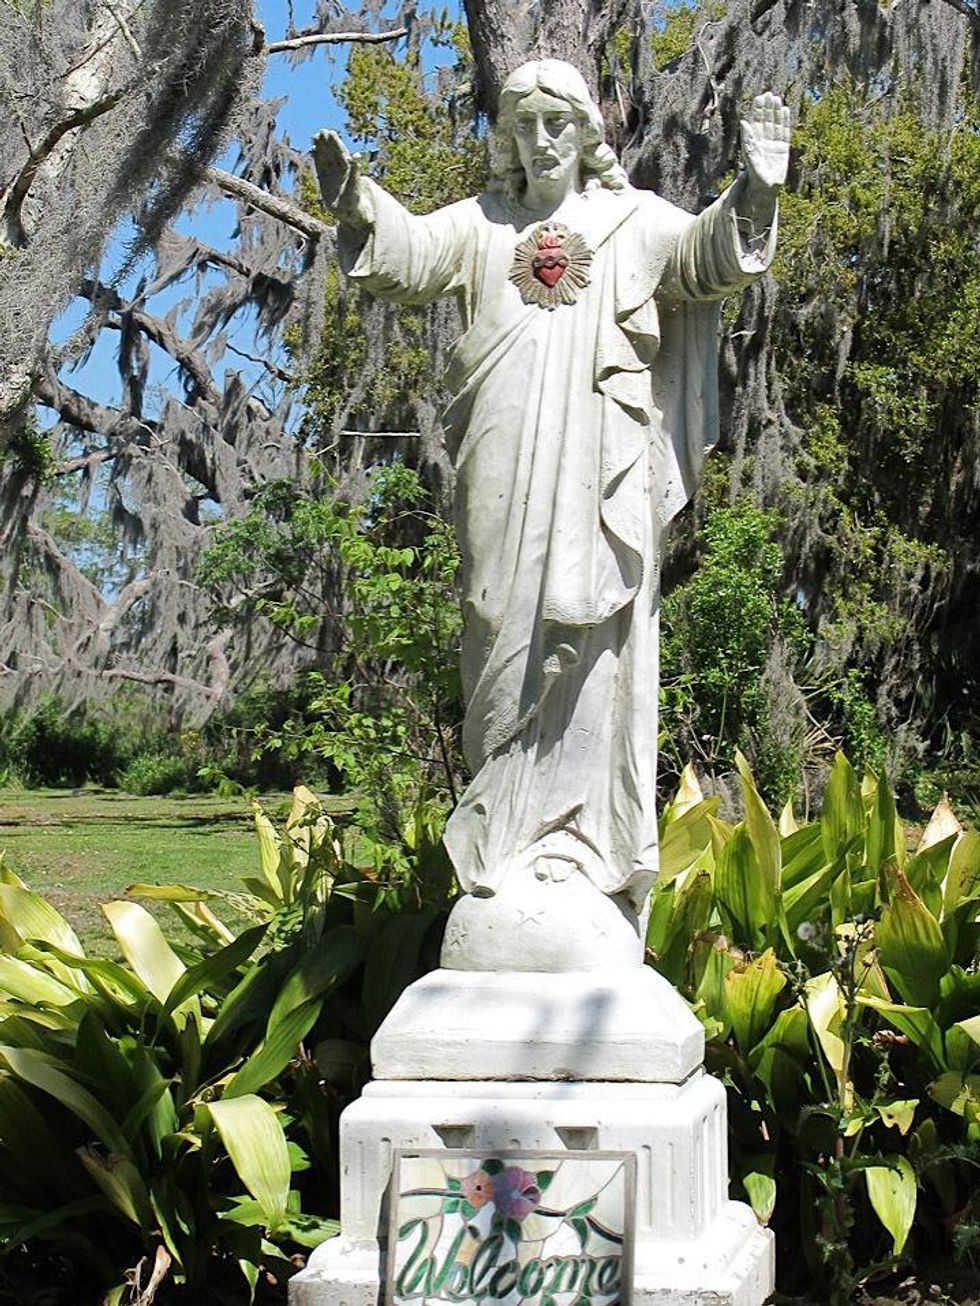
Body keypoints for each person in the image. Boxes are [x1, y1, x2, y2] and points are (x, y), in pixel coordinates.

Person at [314, 60, 790, 970]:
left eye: (557, 124)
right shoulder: (482, 226)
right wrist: (357, 203)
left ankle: (575, 851)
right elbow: (408, 252)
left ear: (585, 133)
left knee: (595, 633)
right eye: (524, 125)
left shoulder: (628, 221)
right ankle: (500, 846)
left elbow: (704, 256)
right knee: (497, 617)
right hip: (500, 452)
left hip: (596, 464)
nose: (541, 141)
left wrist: (754, 193)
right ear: (506, 137)